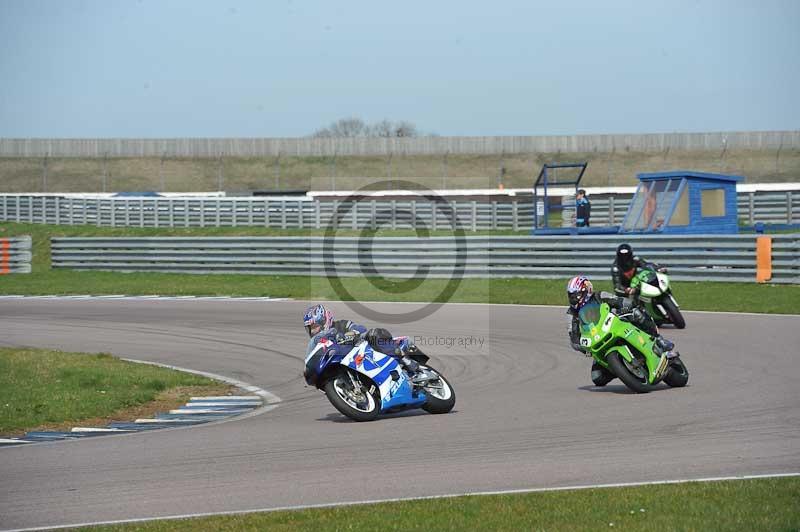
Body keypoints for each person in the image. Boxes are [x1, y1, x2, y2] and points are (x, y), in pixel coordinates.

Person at [565, 275, 676, 386]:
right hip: (598, 342)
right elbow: (573, 335)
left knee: (637, 313)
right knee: (597, 378)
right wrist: (578, 344)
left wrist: (625, 306)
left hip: (615, 324)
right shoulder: (571, 313)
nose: (574, 299)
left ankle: (659, 339)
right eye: (571, 296)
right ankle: (620, 368)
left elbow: (620, 301)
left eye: (577, 295)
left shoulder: (599, 296)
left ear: (587, 290)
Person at [302, 304, 420, 373]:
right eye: (310, 329)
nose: (313, 331)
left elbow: (359, 328)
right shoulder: (319, 343)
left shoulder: (341, 325)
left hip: (365, 352)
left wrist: (351, 333)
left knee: (374, 334)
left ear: (324, 321)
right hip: (351, 364)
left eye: (315, 327)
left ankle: (405, 360)